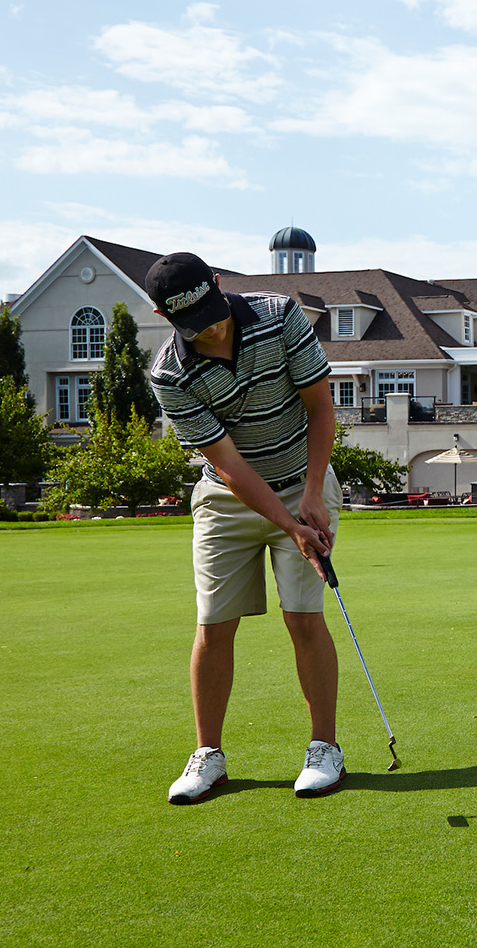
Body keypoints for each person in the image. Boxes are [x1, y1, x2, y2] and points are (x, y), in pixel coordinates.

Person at [143, 251, 349, 804]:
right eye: (192, 322)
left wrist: (311, 497)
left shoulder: (280, 315)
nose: (209, 328)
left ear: (218, 284)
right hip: (227, 498)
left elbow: (321, 409)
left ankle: (324, 748)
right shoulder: (169, 372)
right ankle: (208, 755)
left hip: (302, 478)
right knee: (214, 624)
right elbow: (230, 467)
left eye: (212, 310)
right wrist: (287, 524)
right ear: (163, 315)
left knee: (304, 618)